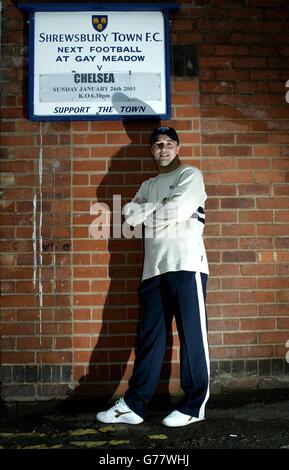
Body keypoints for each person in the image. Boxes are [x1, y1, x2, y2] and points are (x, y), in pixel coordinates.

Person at [96, 126, 210, 427]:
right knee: (150, 340)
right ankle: (134, 405)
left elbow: (179, 209)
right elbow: (131, 217)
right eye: (158, 144)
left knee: (192, 338)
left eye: (169, 143)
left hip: (186, 265)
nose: (163, 149)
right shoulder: (148, 184)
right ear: (152, 150)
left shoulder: (190, 175)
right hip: (153, 270)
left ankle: (194, 405)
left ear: (177, 147)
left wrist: (151, 213)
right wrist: (156, 210)